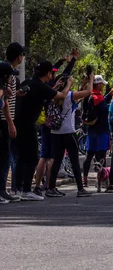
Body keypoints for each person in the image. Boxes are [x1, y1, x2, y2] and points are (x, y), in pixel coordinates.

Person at [13, 61, 72, 201]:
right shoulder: (41, 87)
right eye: (51, 72)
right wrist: (69, 84)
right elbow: (62, 96)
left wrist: (55, 87)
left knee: (21, 157)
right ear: (48, 73)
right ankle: (27, 190)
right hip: (29, 125)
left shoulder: (29, 82)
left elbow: (45, 92)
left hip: (18, 123)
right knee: (32, 157)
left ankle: (18, 189)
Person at [45, 72, 94, 198]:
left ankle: (51, 188)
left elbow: (79, 95)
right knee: (74, 161)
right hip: (68, 132)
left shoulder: (52, 94)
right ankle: (80, 188)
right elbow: (88, 92)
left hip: (55, 133)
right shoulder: (70, 95)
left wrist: (83, 83)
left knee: (56, 160)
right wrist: (91, 79)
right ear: (68, 84)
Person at [82, 75, 113, 188]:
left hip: (91, 130)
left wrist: (109, 95)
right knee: (101, 157)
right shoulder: (98, 98)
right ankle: (102, 178)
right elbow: (104, 109)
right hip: (101, 130)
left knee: (89, 155)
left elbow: (100, 104)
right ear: (98, 84)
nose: (103, 85)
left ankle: (85, 179)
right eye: (102, 84)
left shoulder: (89, 96)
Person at [0, 60, 19, 203]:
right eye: (9, 76)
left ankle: (2, 190)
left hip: (3, 124)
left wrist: (10, 123)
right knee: (4, 158)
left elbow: (5, 104)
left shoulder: (2, 89)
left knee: (5, 157)